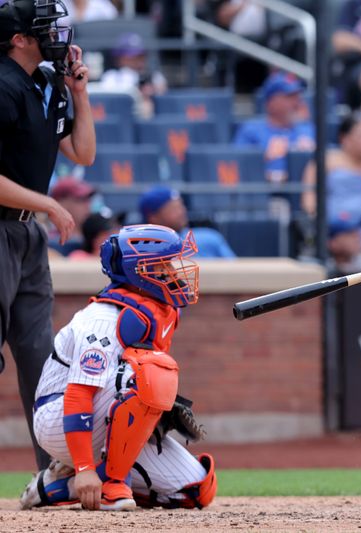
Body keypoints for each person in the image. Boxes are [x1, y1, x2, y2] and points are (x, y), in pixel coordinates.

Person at [19, 224, 217, 511]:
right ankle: (107, 480)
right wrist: (86, 466)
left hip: (102, 414)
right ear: (138, 272)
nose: (174, 272)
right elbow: (78, 394)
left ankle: (59, 487)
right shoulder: (102, 318)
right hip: (58, 416)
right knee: (150, 373)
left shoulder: (154, 310)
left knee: (195, 489)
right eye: (162, 266)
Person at [0, 0, 95, 470]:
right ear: (18, 39)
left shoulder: (46, 83)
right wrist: (49, 203)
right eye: (45, 30)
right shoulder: (1, 84)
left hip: (27, 236)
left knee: (41, 356)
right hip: (1, 229)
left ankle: (52, 471)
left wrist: (80, 94)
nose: (58, 37)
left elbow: (83, 153)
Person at [301, 112, 361, 273]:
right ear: (345, 138)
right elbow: (309, 199)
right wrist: (326, 235)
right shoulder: (327, 159)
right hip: (327, 234)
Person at [234, 71, 315, 184]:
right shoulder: (251, 129)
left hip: (303, 191)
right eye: (290, 97)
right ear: (271, 102)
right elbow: (237, 166)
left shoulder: (308, 129)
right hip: (265, 193)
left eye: (298, 96)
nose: (297, 102)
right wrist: (265, 157)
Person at [139, 186, 236, 258]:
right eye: (173, 209)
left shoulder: (210, 238)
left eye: (181, 206)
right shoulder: (142, 249)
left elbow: (237, 271)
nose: (181, 212)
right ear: (153, 217)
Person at [95, 32, 168, 119]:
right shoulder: (111, 76)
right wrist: (136, 91)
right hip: (122, 118)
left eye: (141, 56)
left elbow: (164, 93)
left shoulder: (154, 76)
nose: (139, 60)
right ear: (120, 58)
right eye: (133, 56)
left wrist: (152, 91)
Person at [47, 177, 96, 256]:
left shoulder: (97, 239)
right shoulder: (46, 241)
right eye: (81, 199)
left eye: (88, 199)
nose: (87, 205)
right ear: (60, 202)